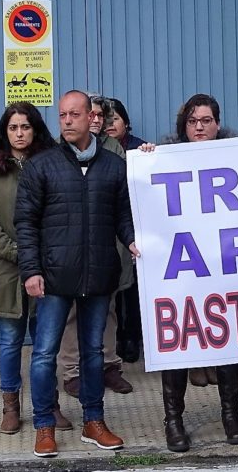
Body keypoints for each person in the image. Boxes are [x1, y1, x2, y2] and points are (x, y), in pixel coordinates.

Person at [16, 90, 138, 457]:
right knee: (43, 354)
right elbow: (25, 222)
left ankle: (93, 422)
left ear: (91, 118)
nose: (67, 121)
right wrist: (31, 270)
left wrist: (133, 241)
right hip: (54, 278)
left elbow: (124, 217)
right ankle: (44, 425)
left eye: (74, 115)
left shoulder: (115, 167)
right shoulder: (42, 165)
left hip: (100, 275)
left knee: (94, 354)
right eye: (62, 116)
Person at [153, 93, 238, 452]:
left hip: (224, 266)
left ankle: (230, 413)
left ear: (217, 124)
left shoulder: (235, 156)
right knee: (178, 341)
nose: (199, 127)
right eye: (193, 121)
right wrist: (149, 161)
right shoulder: (166, 157)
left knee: (230, 339)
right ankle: (173, 420)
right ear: (184, 126)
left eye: (206, 120)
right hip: (182, 268)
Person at [0, 102, 71, 433]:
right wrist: (19, 252)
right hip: (5, 268)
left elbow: (61, 214)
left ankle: (49, 404)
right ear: (5, 131)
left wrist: (38, 256)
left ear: (35, 129)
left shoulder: (53, 162)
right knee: (10, 341)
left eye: (25, 127)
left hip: (46, 268)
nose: (19, 133)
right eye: (13, 128)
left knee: (46, 344)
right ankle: (11, 406)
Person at [59, 93, 133, 398]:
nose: (98, 119)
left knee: (109, 308)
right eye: (66, 115)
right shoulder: (58, 153)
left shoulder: (113, 150)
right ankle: (73, 371)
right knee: (73, 311)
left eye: (101, 115)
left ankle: (109, 366)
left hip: (108, 246)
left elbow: (129, 187)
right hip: (73, 247)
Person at [104, 98, 146, 364]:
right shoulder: (96, 150)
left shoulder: (140, 149)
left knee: (132, 290)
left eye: (114, 119)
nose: (109, 124)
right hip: (108, 227)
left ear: (126, 123)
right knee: (112, 292)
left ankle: (132, 337)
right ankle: (115, 338)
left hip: (134, 226)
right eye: (105, 120)